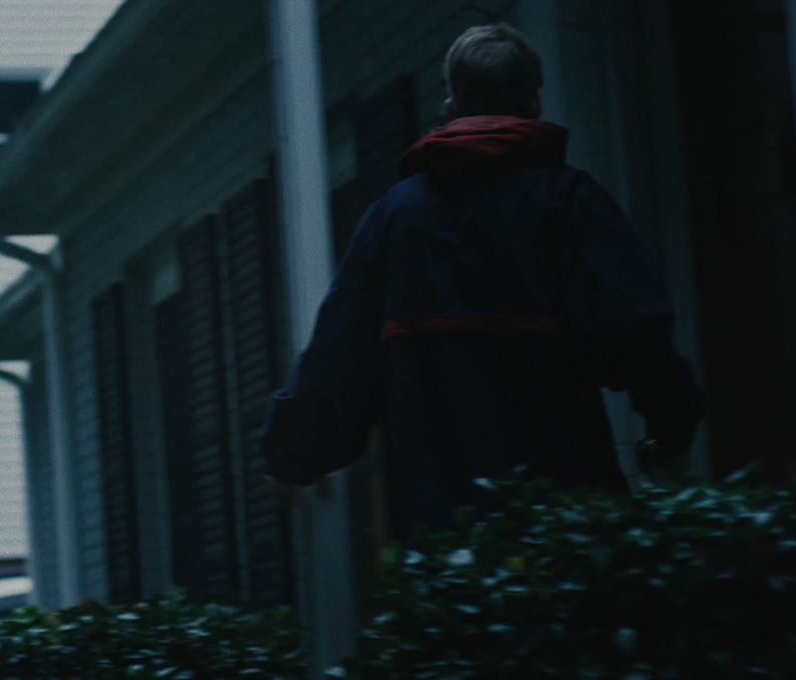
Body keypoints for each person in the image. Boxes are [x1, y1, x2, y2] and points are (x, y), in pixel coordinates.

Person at [260, 23, 703, 540]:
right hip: (565, 523)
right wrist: (672, 430)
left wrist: (290, 459)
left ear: (451, 108)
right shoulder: (569, 204)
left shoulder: (394, 221)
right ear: (535, 101)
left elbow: (337, 359)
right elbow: (637, 331)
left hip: (444, 530)